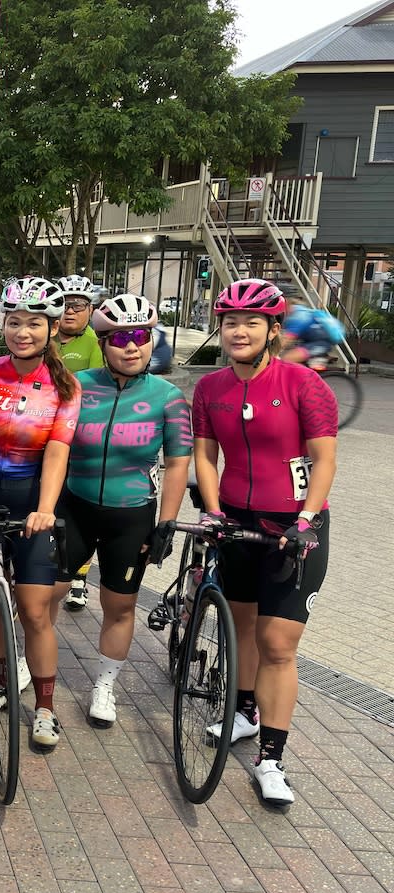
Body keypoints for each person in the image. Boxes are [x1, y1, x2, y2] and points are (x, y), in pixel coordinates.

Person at [191, 278, 336, 807]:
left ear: (273, 330)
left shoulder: (304, 384)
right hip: (234, 518)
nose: (240, 331)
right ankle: (245, 713)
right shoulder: (209, 388)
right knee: (243, 629)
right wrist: (210, 511)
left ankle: (271, 759)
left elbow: (324, 459)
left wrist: (308, 519)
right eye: (230, 322)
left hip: (294, 525)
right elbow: (205, 457)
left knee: (278, 643)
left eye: (252, 322)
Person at [0, 276, 80, 751]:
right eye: (14, 322)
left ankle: (45, 708)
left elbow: (57, 453)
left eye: (34, 323)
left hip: (33, 501)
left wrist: (46, 509)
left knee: (34, 609)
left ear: (51, 328)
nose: (23, 332)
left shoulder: (64, 385)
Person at [50, 294, 192, 727]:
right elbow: (54, 447)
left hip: (130, 515)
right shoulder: (77, 386)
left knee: (119, 605)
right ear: (104, 342)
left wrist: (167, 521)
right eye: (122, 338)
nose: (133, 346)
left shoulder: (169, 397)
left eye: (143, 336)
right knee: (46, 596)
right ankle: (28, 662)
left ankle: (105, 685)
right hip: (74, 507)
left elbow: (178, 463)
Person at [54, 274, 105, 611]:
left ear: (90, 310)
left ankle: (80, 578)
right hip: (45, 433)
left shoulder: (96, 343)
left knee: (79, 510)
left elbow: (98, 394)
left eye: (78, 305)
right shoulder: (45, 337)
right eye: (64, 305)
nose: (70, 311)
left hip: (80, 438)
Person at [280, 301, 347, 366]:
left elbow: (285, 340)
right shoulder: (296, 311)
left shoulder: (298, 317)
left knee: (286, 359)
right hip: (311, 341)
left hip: (322, 342)